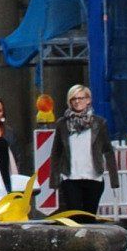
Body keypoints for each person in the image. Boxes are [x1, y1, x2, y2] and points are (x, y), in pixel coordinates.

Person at [49, 84, 118, 218]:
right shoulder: (62, 124)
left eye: (81, 98)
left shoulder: (99, 123)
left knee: (89, 218)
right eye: (73, 99)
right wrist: (54, 181)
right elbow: (56, 152)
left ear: (88, 100)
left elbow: (108, 151)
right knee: (74, 218)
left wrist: (114, 180)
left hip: (93, 177)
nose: (77, 101)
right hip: (71, 177)